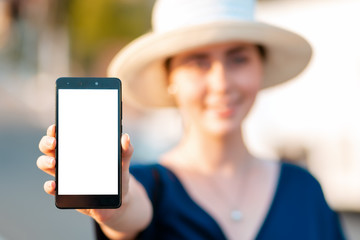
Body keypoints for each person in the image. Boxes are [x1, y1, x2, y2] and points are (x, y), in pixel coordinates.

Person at [37, 0, 345, 239]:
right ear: (170, 78)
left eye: (238, 58)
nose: (222, 82)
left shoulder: (304, 191)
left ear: (260, 68)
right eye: (198, 62)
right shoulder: (146, 186)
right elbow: (131, 213)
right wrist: (114, 207)